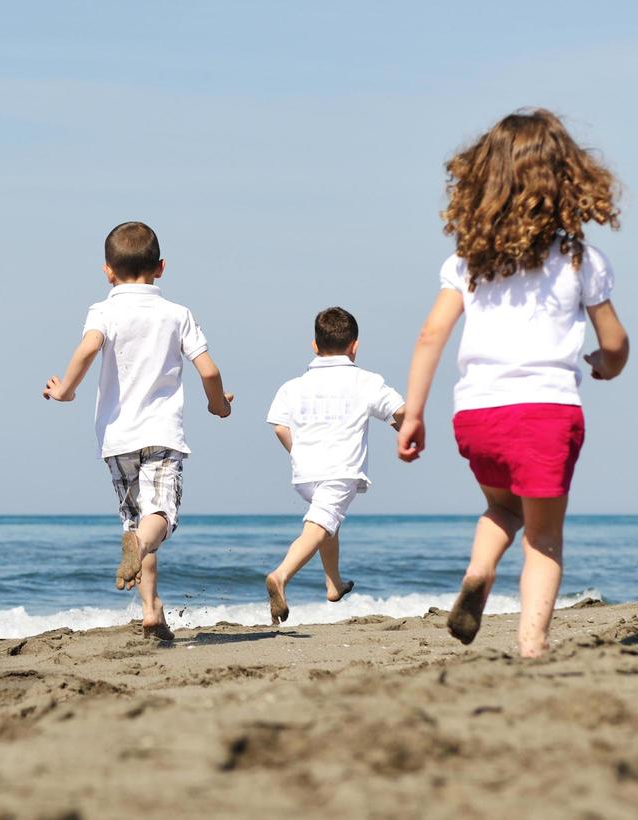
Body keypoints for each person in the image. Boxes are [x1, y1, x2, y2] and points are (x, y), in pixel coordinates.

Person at [397, 109, 630, 658]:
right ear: (567, 181)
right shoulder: (579, 260)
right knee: (543, 537)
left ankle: (478, 575)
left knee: (501, 508)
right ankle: (532, 643)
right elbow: (615, 343)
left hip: (478, 415)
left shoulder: (468, 262)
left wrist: (413, 412)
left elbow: (431, 335)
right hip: (545, 413)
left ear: (484, 183)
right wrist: (603, 363)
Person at [43, 221, 233, 642]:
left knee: (136, 521)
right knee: (160, 517)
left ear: (107, 271)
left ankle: (151, 610)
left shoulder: (103, 311)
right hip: (162, 434)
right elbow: (210, 370)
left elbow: (88, 348)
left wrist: (66, 392)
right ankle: (142, 569)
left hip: (116, 438)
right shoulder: (177, 314)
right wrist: (217, 404)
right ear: (161, 267)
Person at [263, 306, 404, 626]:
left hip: (304, 473)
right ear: (355, 345)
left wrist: (297, 452)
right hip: (340, 470)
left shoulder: (293, 385)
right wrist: (402, 428)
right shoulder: (365, 381)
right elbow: (400, 410)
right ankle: (281, 575)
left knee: (327, 520)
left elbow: (279, 426)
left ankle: (333, 584)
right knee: (320, 524)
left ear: (314, 345)